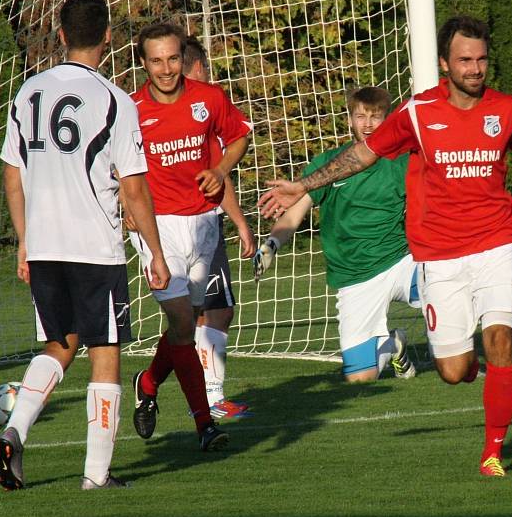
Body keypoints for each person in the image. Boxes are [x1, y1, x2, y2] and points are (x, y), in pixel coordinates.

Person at [258, 16, 512, 477]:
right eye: (465, 60)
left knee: (501, 341)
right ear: (445, 64)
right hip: (439, 254)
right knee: (453, 370)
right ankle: (464, 366)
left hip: (498, 243)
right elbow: (363, 154)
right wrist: (302, 186)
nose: (475, 68)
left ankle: (493, 451)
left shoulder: (508, 110)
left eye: (482, 59)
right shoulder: (416, 113)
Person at [0, 0, 170, 490]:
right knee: (105, 352)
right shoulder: (114, 99)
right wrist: (155, 252)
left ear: (62, 34)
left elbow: (13, 175)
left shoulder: (28, 91)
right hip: (94, 246)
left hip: (46, 245)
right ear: (109, 37)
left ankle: (14, 429)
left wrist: (25, 242)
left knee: (59, 343)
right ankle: (96, 474)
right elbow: (134, 187)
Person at [126, 22, 251, 451]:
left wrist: (220, 171)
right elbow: (114, 169)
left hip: (204, 224)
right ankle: (205, 425)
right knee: (182, 323)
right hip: (157, 229)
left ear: (184, 58)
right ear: (143, 63)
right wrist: (124, 207)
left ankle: (148, 380)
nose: (166, 69)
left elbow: (237, 138)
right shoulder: (130, 109)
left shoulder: (209, 98)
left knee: (184, 328)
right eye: (156, 60)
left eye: (173, 58)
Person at [253, 86, 418, 382]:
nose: (367, 125)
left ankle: (463, 362)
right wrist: (272, 244)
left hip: (401, 263)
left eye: (376, 117)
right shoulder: (329, 166)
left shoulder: (402, 162)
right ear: (349, 120)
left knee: (450, 290)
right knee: (360, 379)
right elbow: (295, 210)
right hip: (354, 278)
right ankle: (393, 344)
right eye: (360, 117)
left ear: (388, 119)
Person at [183, 36, 254, 418]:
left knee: (195, 313)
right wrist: (242, 224)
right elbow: (215, 177)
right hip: (196, 226)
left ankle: (164, 382)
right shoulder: (200, 110)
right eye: (205, 68)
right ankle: (211, 397)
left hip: (178, 224)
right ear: (195, 68)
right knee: (217, 310)